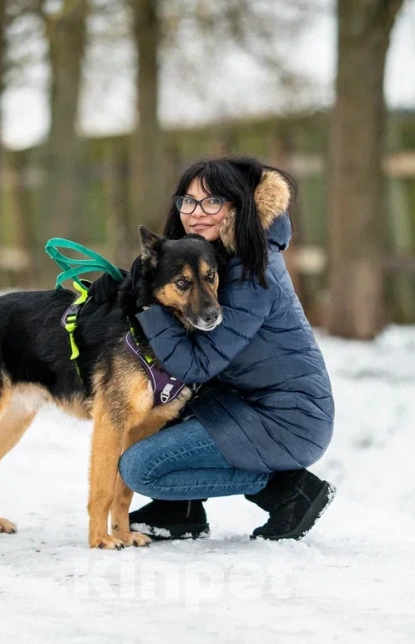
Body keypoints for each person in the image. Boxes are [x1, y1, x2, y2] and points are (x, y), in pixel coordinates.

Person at [93, 156, 335, 541]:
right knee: (162, 400)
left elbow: (195, 363)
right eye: (188, 202)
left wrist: (145, 306)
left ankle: (287, 489)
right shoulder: (215, 256)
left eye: (211, 202)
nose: (196, 213)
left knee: (140, 468)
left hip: (289, 419)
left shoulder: (254, 271)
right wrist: (129, 288)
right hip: (241, 402)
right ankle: (181, 511)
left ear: (236, 205)